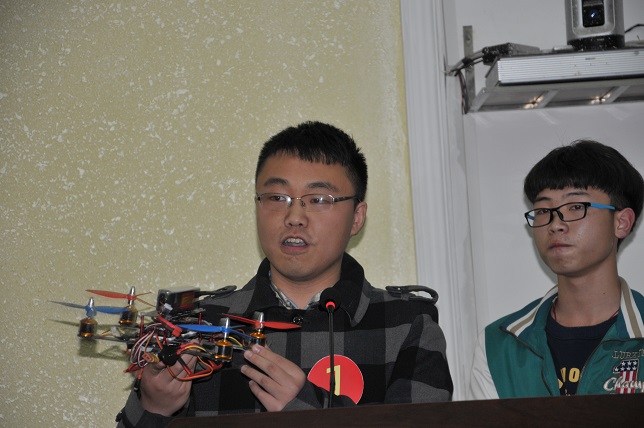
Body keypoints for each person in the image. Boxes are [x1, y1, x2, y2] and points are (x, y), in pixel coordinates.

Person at [117, 121, 453, 427]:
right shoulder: (201, 326)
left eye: (319, 199)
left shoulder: (407, 326)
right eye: (277, 197)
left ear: (356, 217)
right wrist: (154, 408)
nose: (294, 217)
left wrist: (307, 411)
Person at [470, 140, 644, 399]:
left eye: (576, 207)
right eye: (543, 210)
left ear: (622, 222)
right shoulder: (499, 346)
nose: (555, 224)